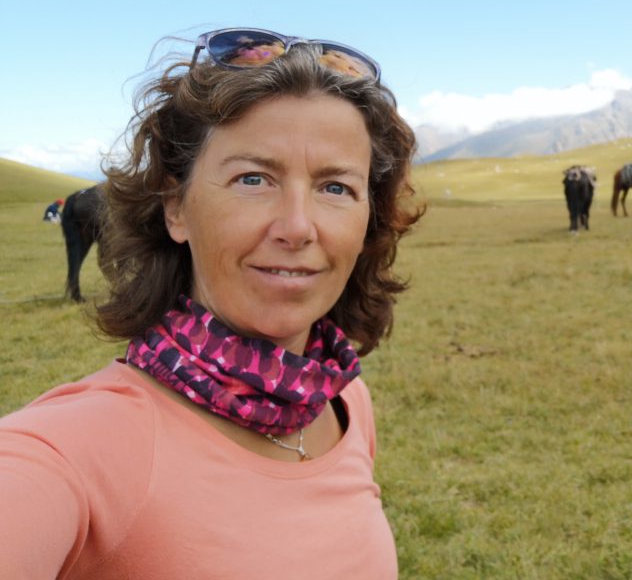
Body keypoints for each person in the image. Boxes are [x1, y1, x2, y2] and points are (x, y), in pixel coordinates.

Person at [0, 29, 422, 578]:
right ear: (176, 209)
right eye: (253, 178)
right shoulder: (76, 450)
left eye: (336, 188)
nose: (298, 227)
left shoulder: (343, 402)